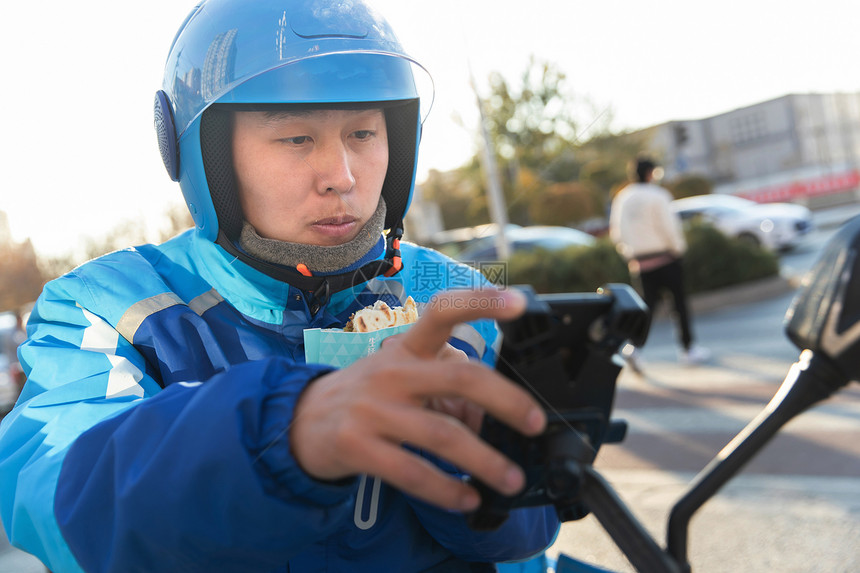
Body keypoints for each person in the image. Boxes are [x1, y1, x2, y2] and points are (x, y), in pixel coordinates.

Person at [0, 1, 559, 571]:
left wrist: (470, 448)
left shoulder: (454, 295)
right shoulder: (107, 305)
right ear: (205, 154)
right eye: (296, 139)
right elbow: (52, 487)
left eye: (363, 132)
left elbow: (529, 535)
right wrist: (281, 435)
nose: (340, 177)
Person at [609, 157, 710, 368]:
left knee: (647, 307)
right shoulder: (658, 195)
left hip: (640, 262)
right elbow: (669, 227)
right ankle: (688, 349)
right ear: (650, 173)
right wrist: (679, 249)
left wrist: (629, 253)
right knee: (679, 305)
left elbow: (617, 232)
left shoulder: (623, 198)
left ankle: (634, 347)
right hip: (666, 257)